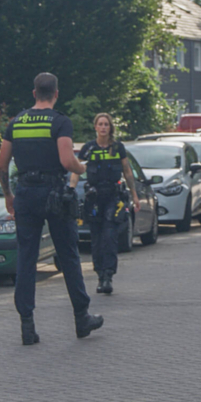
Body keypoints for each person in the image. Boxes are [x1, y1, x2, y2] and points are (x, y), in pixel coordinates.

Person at [0, 72, 103, 345]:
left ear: (34, 93)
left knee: (26, 259)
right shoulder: (60, 122)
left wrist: (8, 195)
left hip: (24, 193)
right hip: (54, 194)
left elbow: (1, 165)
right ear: (56, 94)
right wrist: (83, 168)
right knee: (68, 255)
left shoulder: (16, 123)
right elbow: (67, 161)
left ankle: (27, 326)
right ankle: (82, 319)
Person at [72, 112, 140, 295]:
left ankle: (109, 275)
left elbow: (127, 171)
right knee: (96, 239)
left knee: (110, 237)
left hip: (113, 197)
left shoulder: (118, 148)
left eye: (106, 124)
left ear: (110, 128)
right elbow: (76, 171)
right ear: (95, 127)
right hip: (94, 199)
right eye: (100, 124)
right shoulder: (88, 148)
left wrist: (134, 195)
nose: (103, 127)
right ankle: (100, 274)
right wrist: (70, 190)